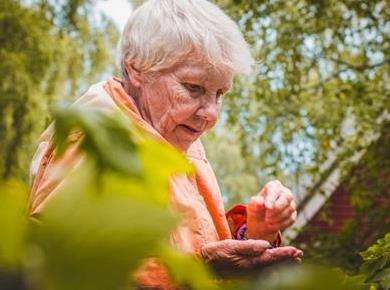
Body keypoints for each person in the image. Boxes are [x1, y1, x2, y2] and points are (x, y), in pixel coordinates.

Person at [28, 0, 303, 289]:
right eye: (193, 88)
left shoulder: (175, 136)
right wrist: (200, 269)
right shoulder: (95, 142)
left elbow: (192, 240)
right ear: (137, 70)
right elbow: (49, 271)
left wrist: (256, 232)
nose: (211, 114)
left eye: (220, 93)